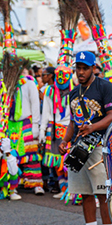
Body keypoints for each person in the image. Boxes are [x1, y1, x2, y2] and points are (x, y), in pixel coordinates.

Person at [59, 51, 112, 225]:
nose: (81, 72)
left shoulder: (105, 87)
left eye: (85, 68)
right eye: (78, 68)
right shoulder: (74, 93)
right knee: (84, 192)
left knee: (102, 193)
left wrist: (93, 127)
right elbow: (73, 122)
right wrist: (65, 140)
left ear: (94, 68)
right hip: (79, 147)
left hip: (99, 145)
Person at [7, 71, 44, 195]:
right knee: (10, 153)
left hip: (26, 122)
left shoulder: (29, 83)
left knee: (31, 153)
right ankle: (12, 183)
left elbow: (35, 104)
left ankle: (36, 183)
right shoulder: (5, 84)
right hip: (10, 123)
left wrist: (35, 125)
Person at [39, 66, 71, 198]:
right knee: (57, 162)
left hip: (70, 128)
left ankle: (71, 189)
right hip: (54, 129)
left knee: (68, 162)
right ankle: (63, 189)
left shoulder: (74, 91)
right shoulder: (49, 92)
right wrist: (42, 131)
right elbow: (46, 112)